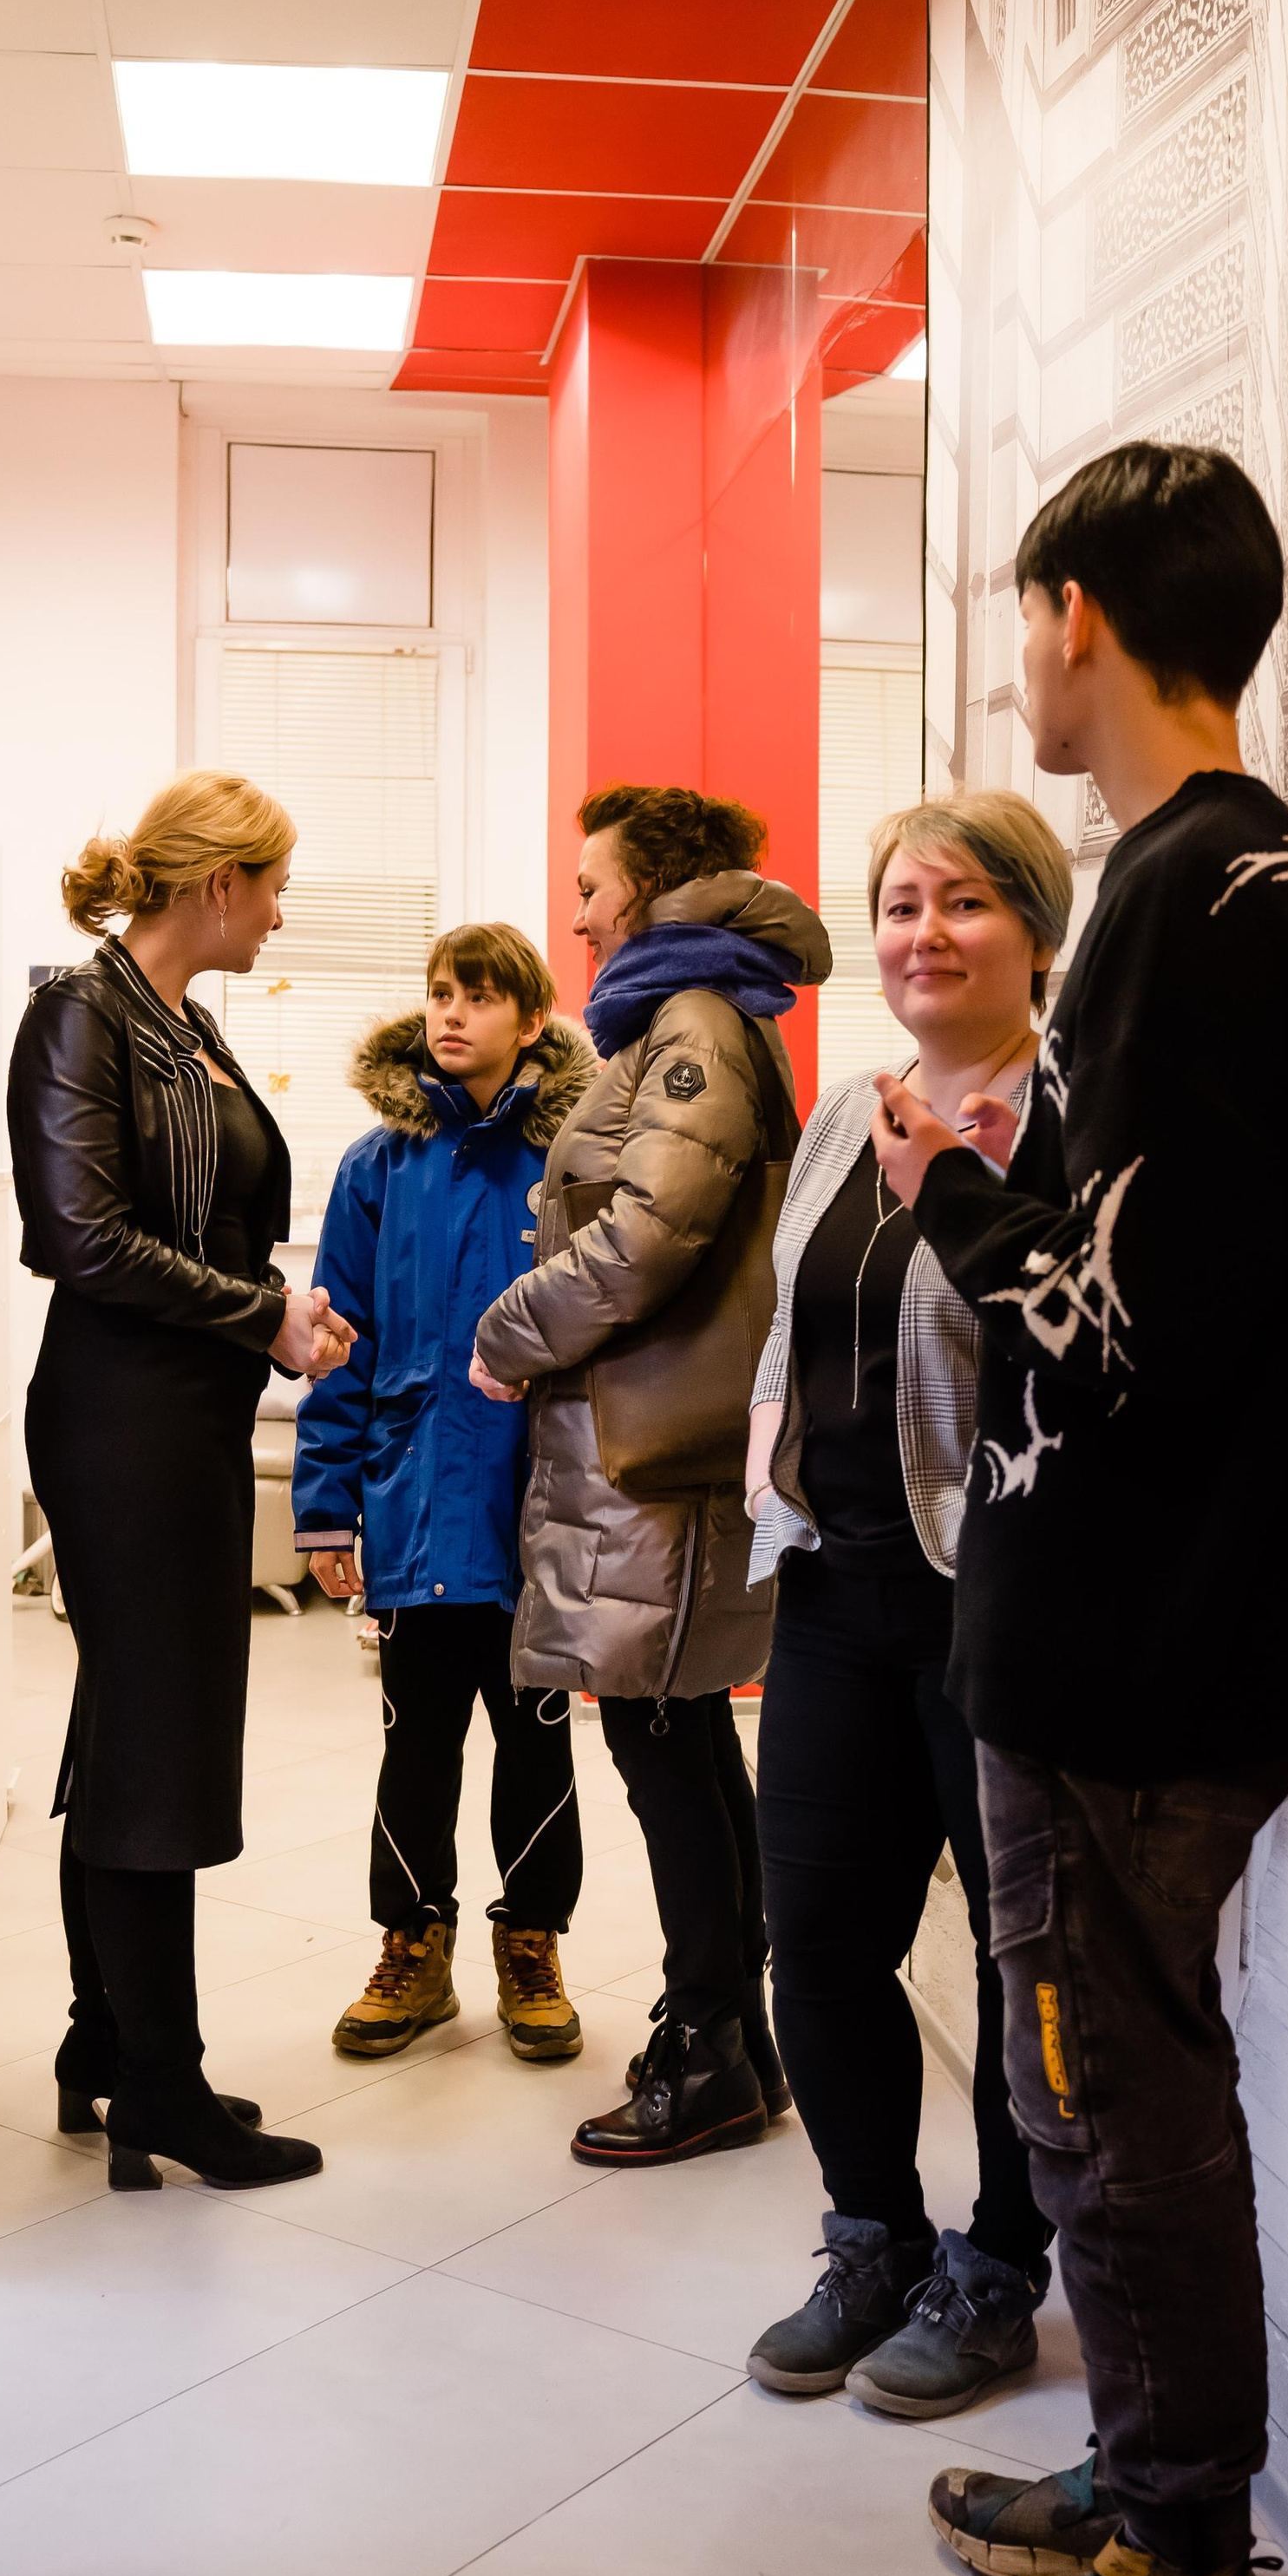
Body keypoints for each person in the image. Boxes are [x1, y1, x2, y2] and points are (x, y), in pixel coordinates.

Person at [869, 443, 1288, 2576]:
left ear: (1081, 612)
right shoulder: (1228, 881)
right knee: (1090, 2083)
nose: (1020, 662)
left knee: (1122, 2091)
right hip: (1108, 1623)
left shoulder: (1198, 893)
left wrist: (960, 1207)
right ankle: (1150, 2476)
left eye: (1025, 617)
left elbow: (1136, 1324)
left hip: (1135, 1644)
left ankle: (1182, 2571)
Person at [742, 794, 1069, 2416]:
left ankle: (1002, 2267)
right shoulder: (840, 1113)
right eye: (896, 904)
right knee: (815, 1942)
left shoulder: (1061, 1119)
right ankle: (870, 2234)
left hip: (983, 1602)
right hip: (828, 1584)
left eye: (962, 904)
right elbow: (786, 1333)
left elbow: (1075, 1349)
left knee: (1018, 1965)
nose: (922, 934)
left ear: (1034, 928)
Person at [469, 784, 830, 2167]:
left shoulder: (692, 1026)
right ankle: (733, 2037)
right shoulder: (689, 1017)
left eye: (591, 885)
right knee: (677, 1736)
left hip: (654, 1457)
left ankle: (711, 2048)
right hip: (642, 1446)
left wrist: (510, 1331)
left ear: (657, 893)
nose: (574, 912)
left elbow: (646, 1237)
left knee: (663, 1738)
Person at [10, 771, 352, 2194]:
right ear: (217, 885)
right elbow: (79, 1237)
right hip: (122, 1421)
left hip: (183, 1415)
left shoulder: (187, 1027)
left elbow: (195, 1221)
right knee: (159, 1747)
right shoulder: (84, 1015)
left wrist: (283, 1308)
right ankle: (162, 2082)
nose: (280, 914)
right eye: (271, 886)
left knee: (146, 1731)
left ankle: (110, 2043)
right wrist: (256, 1316)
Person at [291, 925, 596, 2063]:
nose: (452, 1015)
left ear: (529, 1016)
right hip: (413, 1508)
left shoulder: (573, 1158)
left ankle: (532, 1944)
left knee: (536, 1744)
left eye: (478, 996)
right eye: (438, 994)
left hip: (537, 1519)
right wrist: (328, 1506)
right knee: (416, 1745)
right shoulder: (377, 1168)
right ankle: (413, 1947)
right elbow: (338, 1349)